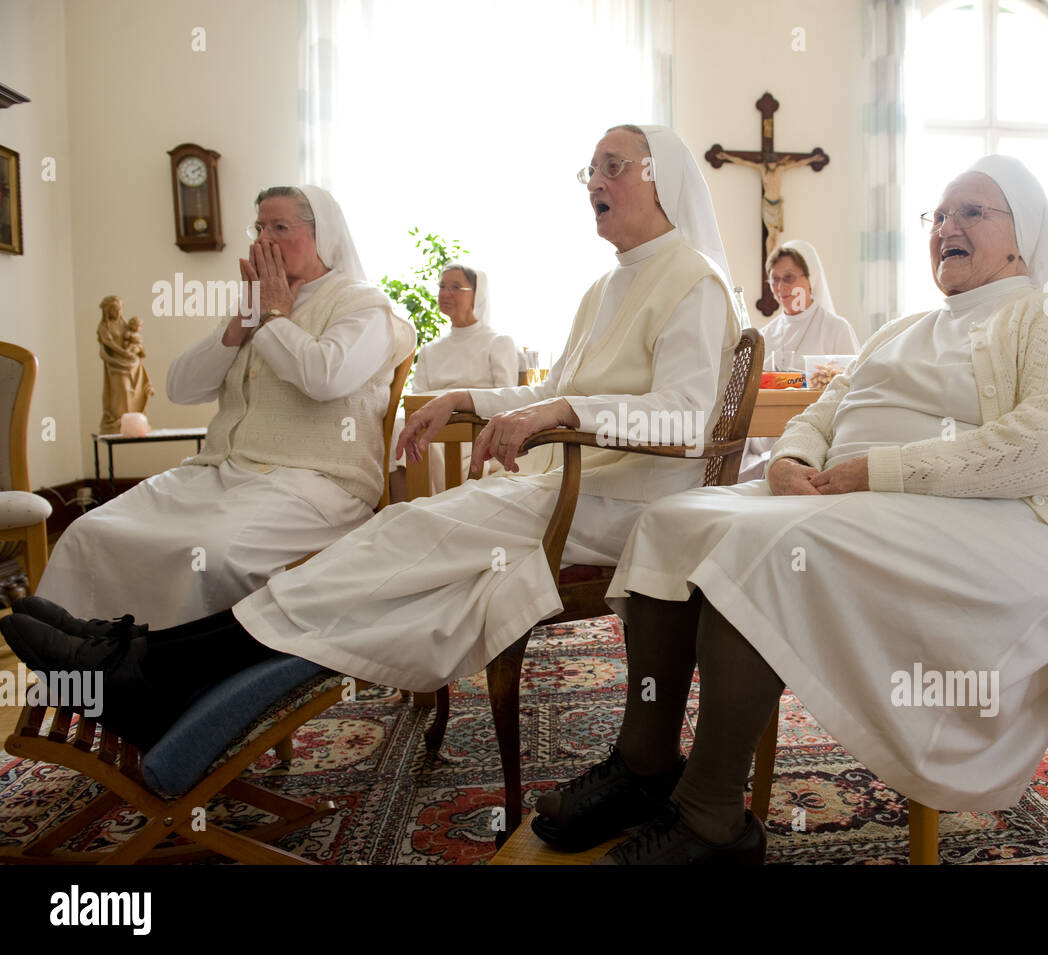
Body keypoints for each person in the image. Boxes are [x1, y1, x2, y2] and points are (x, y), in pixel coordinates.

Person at [3, 125, 742, 752]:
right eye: (591, 169)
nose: (594, 182)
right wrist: (468, 397)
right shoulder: (606, 286)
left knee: (388, 550)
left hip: (630, 498)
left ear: (665, 179)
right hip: (568, 486)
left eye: (613, 167)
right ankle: (147, 665)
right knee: (380, 559)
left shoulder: (694, 281)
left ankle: (148, 667)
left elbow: (683, 419)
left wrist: (555, 416)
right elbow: (551, 391)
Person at [530, 155, 1048, 864]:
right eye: (939, 216)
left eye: (971, 213)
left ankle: (711, 816)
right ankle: (644, 765)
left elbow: (1046, 447)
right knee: (677, 520)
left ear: (1026, 235)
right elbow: (826, 408)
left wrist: (877, 471)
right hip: (856, 499)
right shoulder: (904, 328)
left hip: (1013, 520)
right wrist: (798, 457)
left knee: (763, 552)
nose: (946, 228)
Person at [36, 186, 416, 629]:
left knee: (211, 554)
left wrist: (274, 316)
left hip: (315, 486)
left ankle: (180, 678)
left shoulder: (363, 303)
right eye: (259, 227)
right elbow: (180, 386)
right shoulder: (254, 305)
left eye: (279, 227)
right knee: (89, 532)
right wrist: (242, 323)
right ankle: (83, 657)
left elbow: (324, 377)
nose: (263, 240)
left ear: (323, 236)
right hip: (217, 474)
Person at [738, 240, 859, 481]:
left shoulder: (836, 329)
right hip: (765, 439)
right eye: (775, 278)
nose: (781, 287)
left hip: (816, 437)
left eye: (789, 277)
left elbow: (852, 389)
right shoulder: (764, 335)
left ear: (810, 279)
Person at [402, 263, 518, 492]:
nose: (446, 294)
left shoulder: (498, 342)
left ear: (477, 294)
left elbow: (506, 400)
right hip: (431, 432)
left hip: (474, 434)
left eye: (456, 287)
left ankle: (429, 507)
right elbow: (417, 401)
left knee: (424, 443)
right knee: (403, 432)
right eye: (442, 286)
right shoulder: (429, 350)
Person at [96, 294, 154, 434]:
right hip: (116, 364)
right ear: (107, 311)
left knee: (135, 392)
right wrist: (123, 352)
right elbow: (108, 344)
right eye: (114, 309)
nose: (118, 313)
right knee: (122, 389)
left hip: (132, 364)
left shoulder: (125, 324)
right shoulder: (104, 327)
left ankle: (134, 423)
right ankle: (118, 421)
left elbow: (135, 339)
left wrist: (137, 349)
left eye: (119, 309)